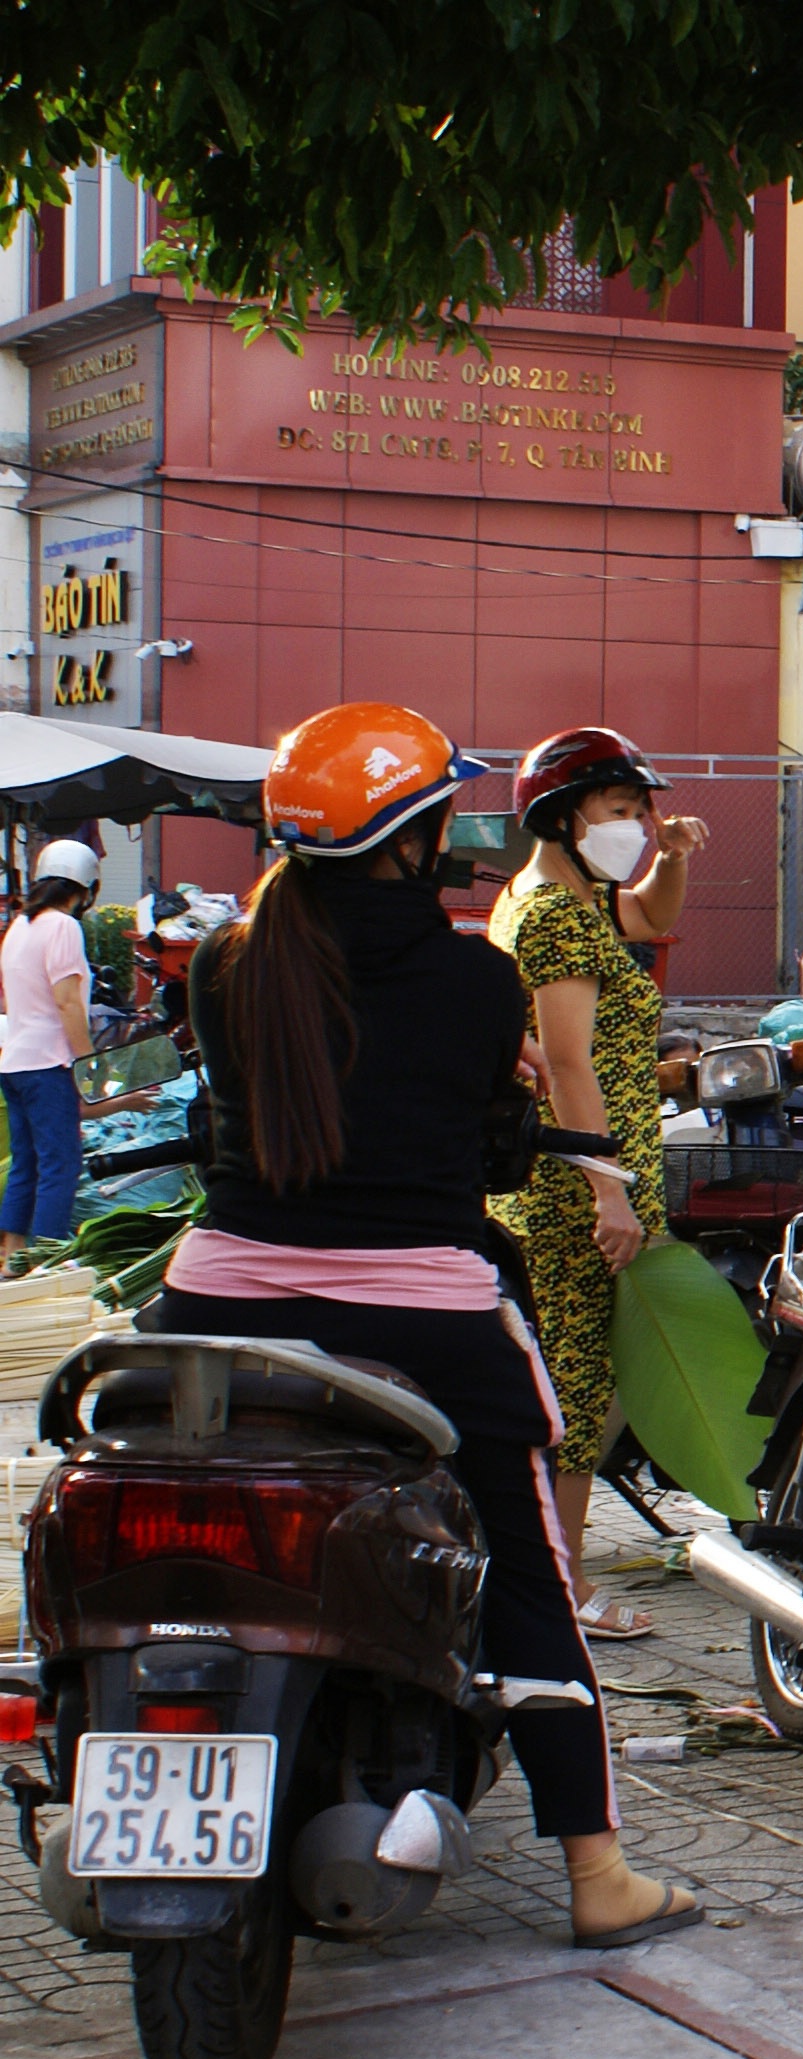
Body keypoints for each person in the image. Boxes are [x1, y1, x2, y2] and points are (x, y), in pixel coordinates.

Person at [159, 702, 701, 1947]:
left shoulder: (228, 964)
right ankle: (598, 1874)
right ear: (413, 835)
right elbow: (484, 1127)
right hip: (425, 1318)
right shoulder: (474, 979)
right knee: (530, 1569)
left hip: (217, 1300)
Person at [492, 726, 708, 1642]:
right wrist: (608, 1192)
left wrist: (671, 857)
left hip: (567, 1180)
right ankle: (561, 1593)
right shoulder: (550, 915)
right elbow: (572, 1065)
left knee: (574, 1388)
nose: (637, 824)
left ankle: (542, 1575)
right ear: (562, 814)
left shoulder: (564, 898)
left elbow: (651, 918)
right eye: (621, 811)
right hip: (571, 1191)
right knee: (575, 1397)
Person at [0, 838, 101, 1255]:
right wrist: (90, 1062)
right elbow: (66, 1001)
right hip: (48, 1063)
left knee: (27, 1163)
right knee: (61, 1164)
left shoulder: (19, 927)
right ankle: (47, 1260)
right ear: (87, 889)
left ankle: (12, 1256)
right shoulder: (63, 926)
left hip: (14, 1060)